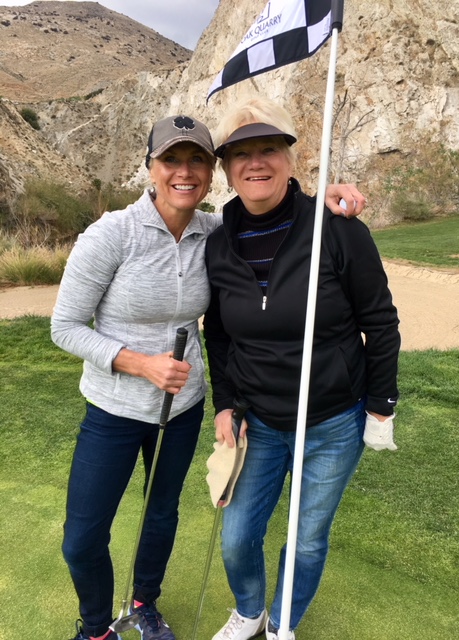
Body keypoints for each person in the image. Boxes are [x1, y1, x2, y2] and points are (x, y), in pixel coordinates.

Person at [51, 112, 365, 640]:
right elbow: (63, 326)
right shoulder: (112, 234)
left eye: (197, 158)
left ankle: (144, 602)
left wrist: (327, 199)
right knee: (82, 538)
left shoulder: (216, 230)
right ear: (151, 167)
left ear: (210, 169)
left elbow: (276, 210)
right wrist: (138, 361)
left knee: (161, 515)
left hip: (183, 410)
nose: (185, 170)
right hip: (113, 409)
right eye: (171, 159)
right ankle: (95, 625)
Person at [203, 98, 401, 640]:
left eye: (268, 148)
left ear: (291, 158)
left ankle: (282, 624)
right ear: (226, 168)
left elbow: (380, 323)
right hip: (260, 422)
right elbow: (218, 334)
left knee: (307, 536)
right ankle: (250, 611)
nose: (255, 162)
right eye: (240, 153)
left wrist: (381, 407)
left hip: (335, 421)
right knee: (238, 536)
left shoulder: (336, 230)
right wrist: (225, 402)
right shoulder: (218, 244)